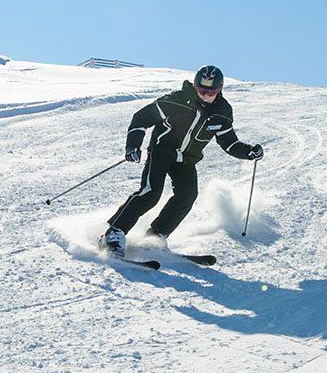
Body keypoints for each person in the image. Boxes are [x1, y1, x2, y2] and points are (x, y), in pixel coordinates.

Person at [100, 65, 263, 257]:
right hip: (162, 152)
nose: (206, 95)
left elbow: (229, 142)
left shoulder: (222, 111)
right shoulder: (176, 100)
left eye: (211, 92)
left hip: (186, 160)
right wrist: (133, 146)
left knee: (188, 195)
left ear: (219, 90)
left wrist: (248, 152)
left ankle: (155, 235)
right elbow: (141, 118)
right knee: (151, 193)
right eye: (202, 90)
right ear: (195, 86)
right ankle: (114, 232)